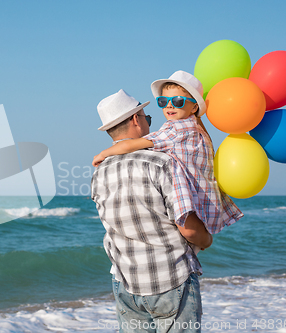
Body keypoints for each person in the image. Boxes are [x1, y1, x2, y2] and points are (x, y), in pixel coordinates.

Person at [91, 88, 212, 333]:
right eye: (148, 118)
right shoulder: (162, 162)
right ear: (136, 119)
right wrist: (206, 239)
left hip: (124, 282)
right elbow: (188, 228)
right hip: (170, 279)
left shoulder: (98, 172)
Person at [92, 71, 243, 240]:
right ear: (135, 119)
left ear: (194, 107)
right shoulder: (193, 131)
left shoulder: (175, 131)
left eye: (177, 101)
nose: (169, 106)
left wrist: (103, 153)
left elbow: (130, 144)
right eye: (163, 101)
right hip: (207, 203)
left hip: (193, 203)